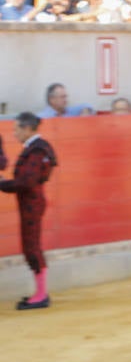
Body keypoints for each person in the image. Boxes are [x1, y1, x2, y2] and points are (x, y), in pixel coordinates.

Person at [1, 111, 59, 310]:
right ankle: (40, 293)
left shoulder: (37, 150)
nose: (14, 133)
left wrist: (3, 184)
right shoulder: (37, 148)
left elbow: (27, 181)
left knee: (31, 246)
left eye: (16, 129)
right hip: (31, 201)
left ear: (27, 128)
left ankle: (41, 295)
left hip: (31, 202)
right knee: (31, 245)